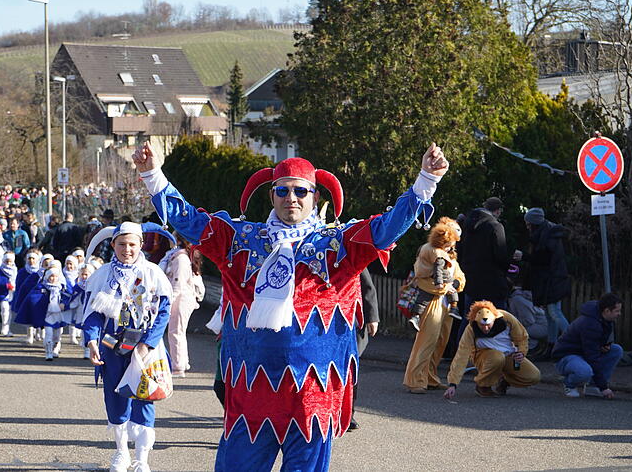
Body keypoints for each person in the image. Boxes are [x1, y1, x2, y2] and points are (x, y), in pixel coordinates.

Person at [133, 141, 448, 471]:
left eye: (301, 191)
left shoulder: (338, 245)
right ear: (271, 196)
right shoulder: (240, 241)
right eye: (282, 191)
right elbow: (190, 222)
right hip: (251, 389)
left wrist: (426, 180)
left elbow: (386, 228)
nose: (291, 198)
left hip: (314, 392)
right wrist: (153, 175)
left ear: (315, 196)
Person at [82, 222, 172, 472]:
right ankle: (121, 453)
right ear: (113, 245)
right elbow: (92, 314)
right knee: (115, 399)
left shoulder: (154, 273)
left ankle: (142, 459)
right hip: (112, 346)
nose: (127, 249)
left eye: (132, 244)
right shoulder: (102, 276)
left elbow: (163, 312)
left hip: (146, 347)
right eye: (122, 244)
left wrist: (147, 345)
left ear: (140, 245)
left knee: (144, 398)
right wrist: (91, 339)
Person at [403, 220, 466, 394]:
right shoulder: (428, 251)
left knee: (440, 342)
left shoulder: (450, 255)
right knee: (426, 342)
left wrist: (454, 283)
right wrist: (446, 287)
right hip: (432, 302)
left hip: (446, 304)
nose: (452, 245)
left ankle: (430, 377)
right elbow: (422, 277)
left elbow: (460, 277)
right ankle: (414, 380)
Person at [443, 301, 541, 399]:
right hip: (484, 357)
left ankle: (504, 380)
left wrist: (521, 352)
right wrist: (453, 384)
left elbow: (522, 337)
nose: (485, 329)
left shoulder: (507, 319)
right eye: (482, 325)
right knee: (497, 357)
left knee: (534, 376)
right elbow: (461, 355)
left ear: (494, 318)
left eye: (488, 324)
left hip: (509, 355)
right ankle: (483, 385)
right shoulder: (471, 329)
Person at [518, 207, 571, 358]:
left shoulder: (547, 236)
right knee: (550, 314)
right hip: (553, 278)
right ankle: (552, 346)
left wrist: (525, 256)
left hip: (552, 280)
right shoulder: (549, 233)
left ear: (534, 223)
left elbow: (543, 259)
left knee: (554, 313)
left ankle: (573, 341)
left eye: (528, 223)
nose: (527, 226)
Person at [551, 293, 623, 399]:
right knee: (584, 371)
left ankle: (593, 387)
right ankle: (569, 384)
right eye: (617, 311)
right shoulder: (591, 324)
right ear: (607, 311)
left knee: (616, 350)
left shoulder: (604, 319)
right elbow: (592, 356)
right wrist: (604, 387)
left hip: (582, 352)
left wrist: (602, 346)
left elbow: (593, 345)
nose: (619, 314)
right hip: (565, 356)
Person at [160, 231, 205, 377]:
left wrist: (168, 301)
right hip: (184, 297)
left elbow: (177, 283)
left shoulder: (180, 258)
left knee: (176, 331)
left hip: (181, 298)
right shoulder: (181, 256)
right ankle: (181, 362)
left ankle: (178, 365)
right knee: (178, 331)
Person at [458, 197, 513, 310]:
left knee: (470, 317)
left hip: (470, 279)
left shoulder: (466, 225)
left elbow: (460, 249)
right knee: (499, 317)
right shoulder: (495, 226)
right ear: (498, 210)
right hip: (492, 281)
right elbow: (500, 255)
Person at [350, 269, 378, 431]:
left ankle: (347, 415)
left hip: (350, 320)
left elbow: (366, 284)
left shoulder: (347, 249)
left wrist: (372, 317)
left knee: (350, 371)